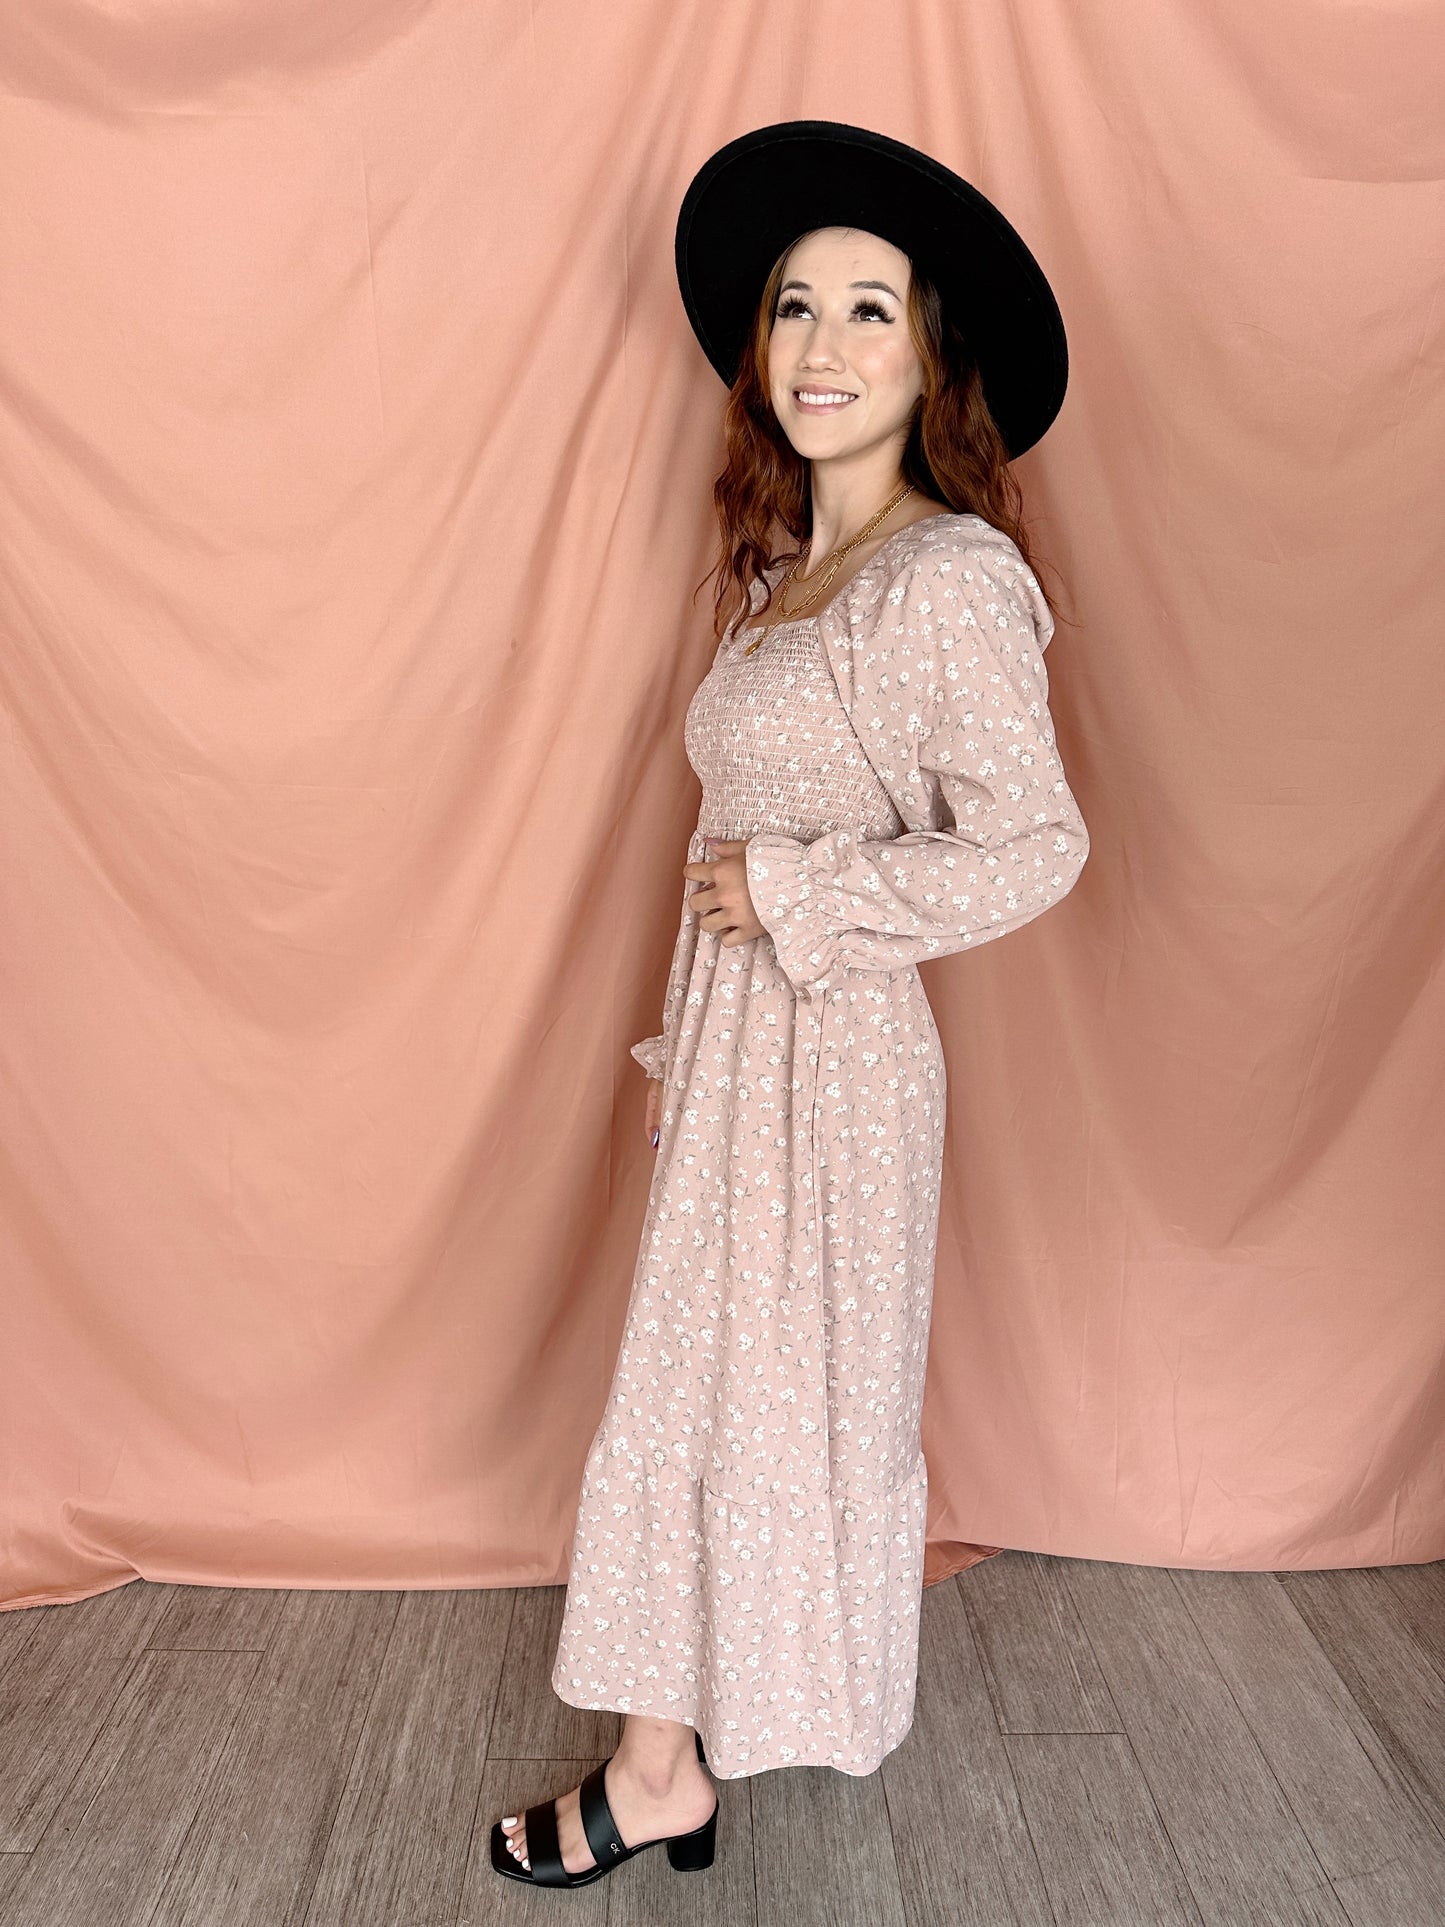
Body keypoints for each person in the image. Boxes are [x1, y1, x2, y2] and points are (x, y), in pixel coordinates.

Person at [493, 118, 1090, 1890]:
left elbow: (1036, 844)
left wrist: (801, 894)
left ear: (928, 359)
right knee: (688, 1399)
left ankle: (664, 1767)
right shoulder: (778, 582)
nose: (822, 346)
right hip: (739, 1063)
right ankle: (660, 1760)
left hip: (835, 1077)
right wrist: (688, 1046)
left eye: (868, 311)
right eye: (795, 308)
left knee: (758, 1413)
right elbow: (729, 849)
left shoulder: (948, 580)